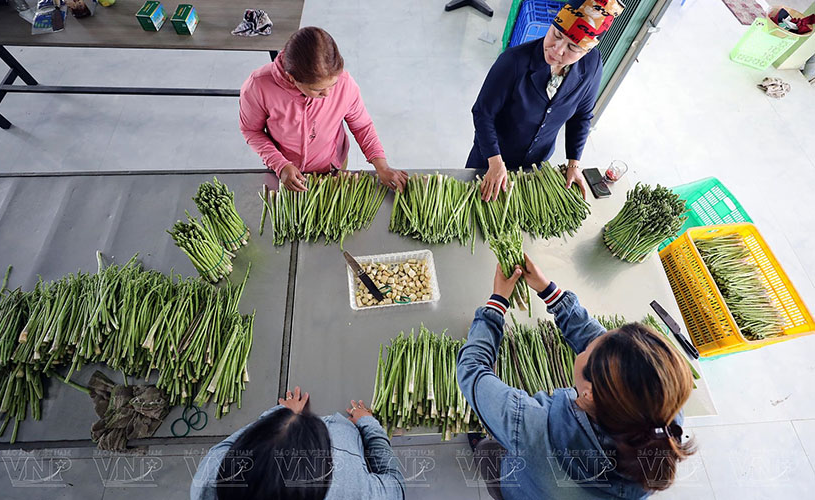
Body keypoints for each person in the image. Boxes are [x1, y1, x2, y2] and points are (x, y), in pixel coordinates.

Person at [457, 256, 695, 499]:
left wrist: (497, 303)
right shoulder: (662, 415)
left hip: (522, 490)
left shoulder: (534, 426)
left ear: (588, 392)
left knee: (490, 455)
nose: (590, 341)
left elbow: (472, 369)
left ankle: (484, 451)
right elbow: (610, 356)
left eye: (589, 348)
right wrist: (548, 291)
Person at [467, 0, 625, 202]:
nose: (557, 50)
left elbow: (581, 116)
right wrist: (495, 163)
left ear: (586, 51)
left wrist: (573, 164)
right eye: (556, 35)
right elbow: (483, 113)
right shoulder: (513, 62)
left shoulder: (592, 66)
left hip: (535, 166)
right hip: (491, 159)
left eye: (573, 47)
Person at [239, 26, 408, 192]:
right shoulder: (258, 86)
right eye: (317, 90)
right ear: (292, 79)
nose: (327, 94)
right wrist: (280, 165)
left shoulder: (345, 84)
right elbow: (251, 130)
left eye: (333, 84)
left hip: (334, 166)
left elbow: (362, 126)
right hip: (287, 171)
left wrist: (382, 166)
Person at [190, 386, 404, 500]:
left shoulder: (212, 477)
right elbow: (395, 482)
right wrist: (369, 425)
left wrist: (283, 416)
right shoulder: (354, 490)